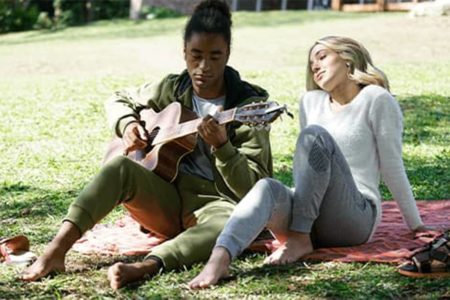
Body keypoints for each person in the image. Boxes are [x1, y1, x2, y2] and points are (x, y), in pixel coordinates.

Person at [22, 0, 273, 290]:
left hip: (216, 205)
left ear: (228, 54)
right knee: (120, 166)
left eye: (215, 57)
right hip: (165, 198)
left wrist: (223, 148)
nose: (204, 67)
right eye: (196, 55)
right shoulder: (173, 88)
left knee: (230, 222)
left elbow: (255, 190)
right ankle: (56, 249)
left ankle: (148, 265)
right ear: (184, 53)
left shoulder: (249, 106)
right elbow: (119, 98)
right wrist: (128, 125)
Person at [189, 36, 430, 289]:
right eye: (311, 62)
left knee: (313, 136)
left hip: (355, 217)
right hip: (311, 216)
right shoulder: (311, 101)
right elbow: (309, 170)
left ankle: (300, 237)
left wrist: (416, 225)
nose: (315, 66)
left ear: (347, 59)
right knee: (267, 187)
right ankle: (219, 260)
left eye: (322, 57)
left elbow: (392, 166)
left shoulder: (376, 99)